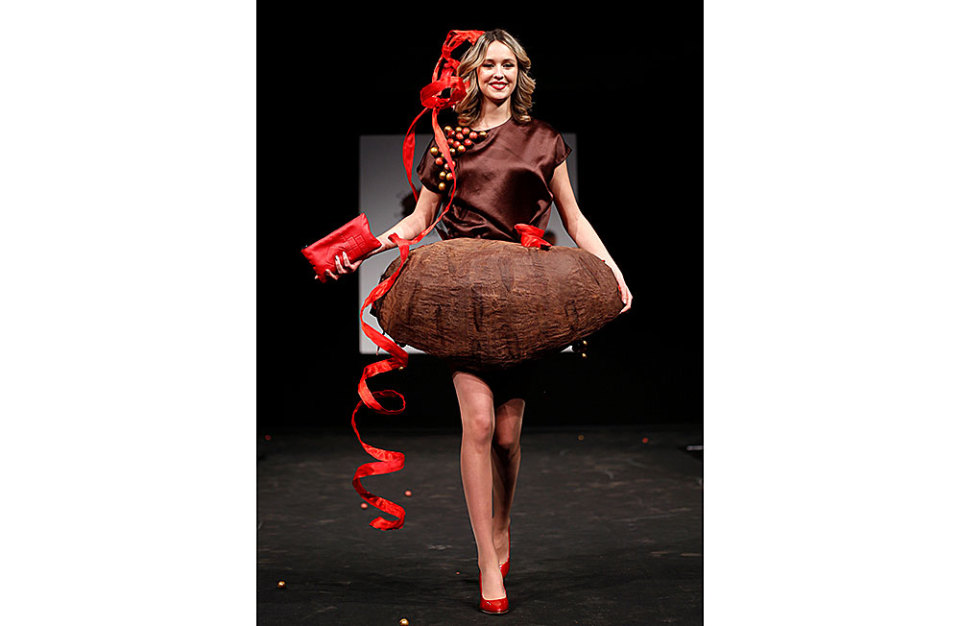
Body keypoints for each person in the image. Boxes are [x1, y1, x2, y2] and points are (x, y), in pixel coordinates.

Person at [326, 28, 632, 615]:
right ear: (470, 73)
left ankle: (502, 525)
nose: (499, 73)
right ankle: (487, 561)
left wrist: (614, 273)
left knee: (508, 438)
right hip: (461, 295)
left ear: (520, 74)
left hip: (525, 299)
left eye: (508, 64)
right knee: (479, 422)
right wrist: (360, 250)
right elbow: (418, 222)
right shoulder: (450, 142)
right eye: (488, 63)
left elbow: (574, 217)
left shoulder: (542, 139)